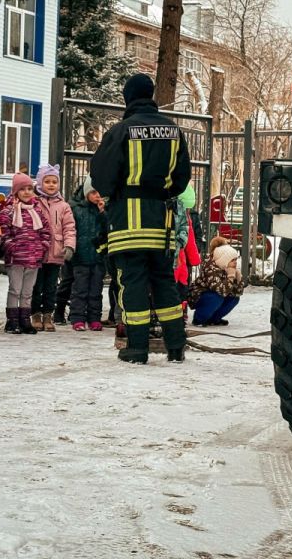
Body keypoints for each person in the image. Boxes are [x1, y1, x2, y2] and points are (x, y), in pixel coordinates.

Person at [90, 73, 192, 364]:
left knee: (131, 281)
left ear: (128, 97)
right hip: (161, 221)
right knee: (164, 280)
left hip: (127, 221)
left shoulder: (122, 130)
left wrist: (116, 194)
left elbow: (101, 173)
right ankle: (175, 345)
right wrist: (161, 192)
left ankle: (136, 347)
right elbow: (182, 178)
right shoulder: (173, 131)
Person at [0, 172, 51, 334]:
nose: (27, 192)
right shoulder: (8, 212)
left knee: (27, 292)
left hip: (34, 258)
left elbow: (46, 232)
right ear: (15, 192)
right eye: (23, 189)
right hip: (16, 258)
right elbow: (4, 233)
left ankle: (25, 319)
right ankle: (12, 320)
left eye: (30, 188)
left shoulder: (37, 212)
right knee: (15, 289)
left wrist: (42, 246)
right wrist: (11, 247)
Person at [31, 164, 76, 331]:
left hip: (56, 252)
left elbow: (69, 228)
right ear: (40, 182)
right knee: (36, 286)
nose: (51, 185)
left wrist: (69, 246)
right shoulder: (34, 202)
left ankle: (48, 315)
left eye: (54, 182)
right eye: (47, 181)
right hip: (37, 251)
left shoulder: (63, 205)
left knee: (51, 287)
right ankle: (35, 314)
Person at [68, 176, 108, 331]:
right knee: (80, 289)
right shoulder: (77, 209)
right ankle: (77, 318)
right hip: (81, 256)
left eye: (99, 192)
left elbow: (107, 230)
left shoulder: (104, 209)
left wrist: (103, 213)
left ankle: (94, 318)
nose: (97, 195)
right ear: (86, 194)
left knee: (96, 290)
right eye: (93, 192)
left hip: (98, 256)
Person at [188, 242, 246, 326]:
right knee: (217, 297)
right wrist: (230, 277)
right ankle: (199, 319)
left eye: (236, 260)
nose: (235, 262)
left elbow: (238, 292)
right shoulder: (211, 269)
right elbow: (221, 291)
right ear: (224, 260)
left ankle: (213, 319)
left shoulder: (227, 268)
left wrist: (238, 280)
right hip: (199, 295)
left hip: (214, 295)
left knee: (234, 298)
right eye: (232, 260)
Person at [173, 183, 202, 321]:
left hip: (174, 261)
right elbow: (190, 242)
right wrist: (195, 259)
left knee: (173, 287)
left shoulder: (168, 214)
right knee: (181, 287)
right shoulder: (187, 219)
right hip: (181, 262)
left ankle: (174, 312)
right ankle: (181, 312)